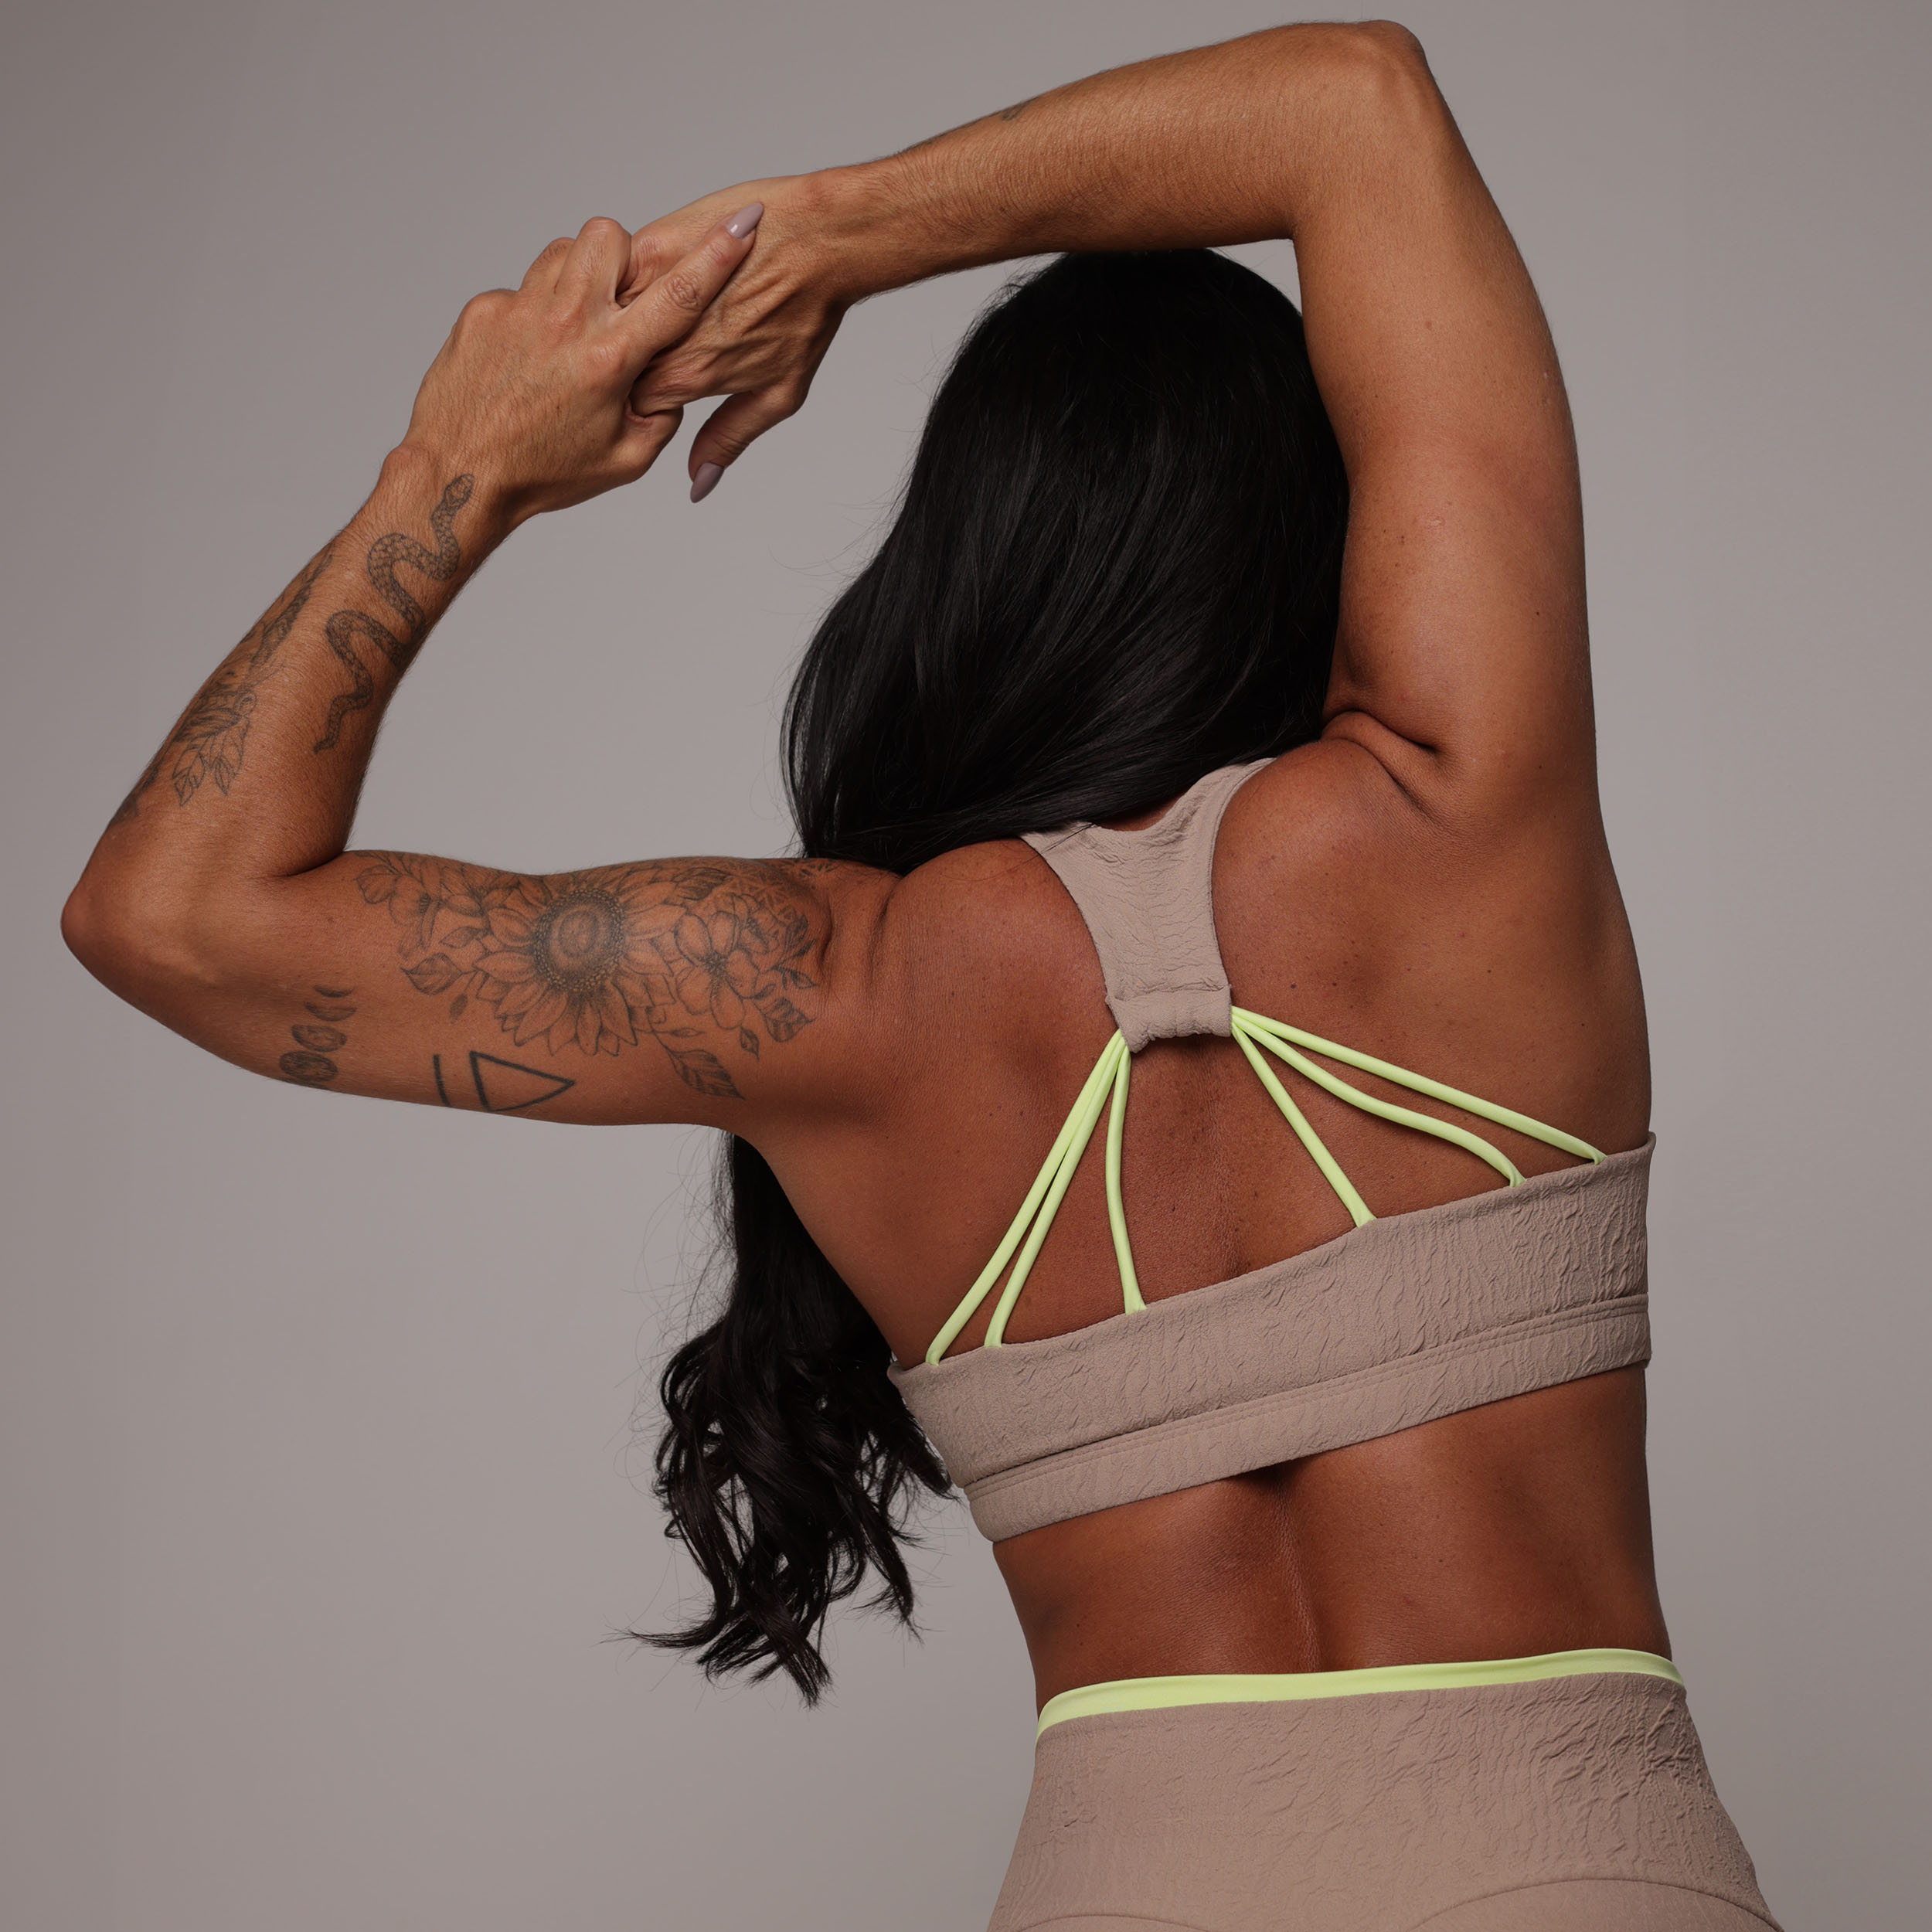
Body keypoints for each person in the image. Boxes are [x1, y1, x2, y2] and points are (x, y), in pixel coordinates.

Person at [63, 21, 1780, 1932]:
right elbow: (1349, 104)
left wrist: (452, 467)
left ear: (971, 572)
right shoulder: (1459, 833)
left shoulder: (832, 993)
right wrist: (834, 236)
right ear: (1337, 531)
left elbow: (174, 914)